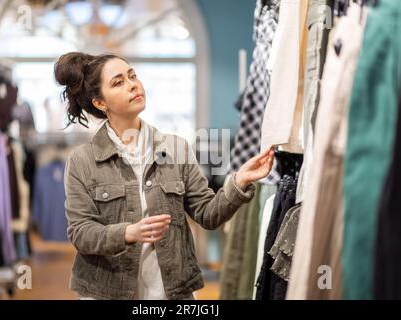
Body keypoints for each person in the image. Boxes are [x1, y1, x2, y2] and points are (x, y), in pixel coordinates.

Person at [55, 52, 275, 300]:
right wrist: (128, 232)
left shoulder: (176, 149)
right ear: (100, 103)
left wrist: (239, 181)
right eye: (118, 82)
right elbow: (81, 233)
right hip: (106, 292)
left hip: (170, 293)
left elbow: (207, 214)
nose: (133, 84)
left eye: (132, 75)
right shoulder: (82, 160)